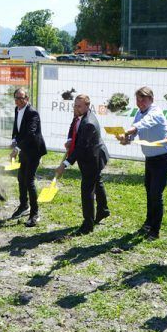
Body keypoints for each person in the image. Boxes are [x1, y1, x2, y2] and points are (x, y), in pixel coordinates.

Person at [117, 86, 167, 240]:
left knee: (156, 194)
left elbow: (143, 124)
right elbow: (135, 132)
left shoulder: (155, 112)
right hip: (150, 160)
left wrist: (127, 132)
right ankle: (149, 222)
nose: (140, 102)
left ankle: (155, 231)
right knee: (149, 192)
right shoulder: (139, 112)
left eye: (144, 99)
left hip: (163, 160)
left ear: (151, 99)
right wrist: (126, 139)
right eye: (138, 99)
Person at [55, 94, 109, 234]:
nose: (76, 108)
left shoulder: (89, 123)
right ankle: (103, 210)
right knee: (97, 181)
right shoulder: (79, 115)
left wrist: (64, 164)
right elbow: (73, 127)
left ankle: (88, 224)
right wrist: (69, 139)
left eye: (79, 106)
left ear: (87, 106)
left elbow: (80, 148)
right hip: (90, 154)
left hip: (93, 158)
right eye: (75, 105)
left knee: (87, 190)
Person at [9, 88, 47, 227]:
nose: (19, 100)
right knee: (21, 178)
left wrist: (17, 148)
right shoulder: (17, 109)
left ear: (27, 98)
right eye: (16, 98)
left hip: (34, 150)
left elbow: (31, 134)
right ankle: (24, 206)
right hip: (24, 150)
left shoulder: (32, 113)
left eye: (22, 98)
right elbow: (17, 128)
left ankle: (34, 214)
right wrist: (14, 140)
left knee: (29, 181)